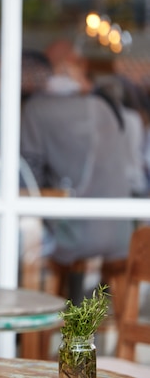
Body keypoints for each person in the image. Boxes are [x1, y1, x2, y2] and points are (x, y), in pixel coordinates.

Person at [20, 39, 134, 303]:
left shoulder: (38, 109)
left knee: (30, 250)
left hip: (75, 236)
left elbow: (28, 174)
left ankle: (32, 336)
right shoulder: (108, 107)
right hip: (119, 234)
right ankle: (86, 328)